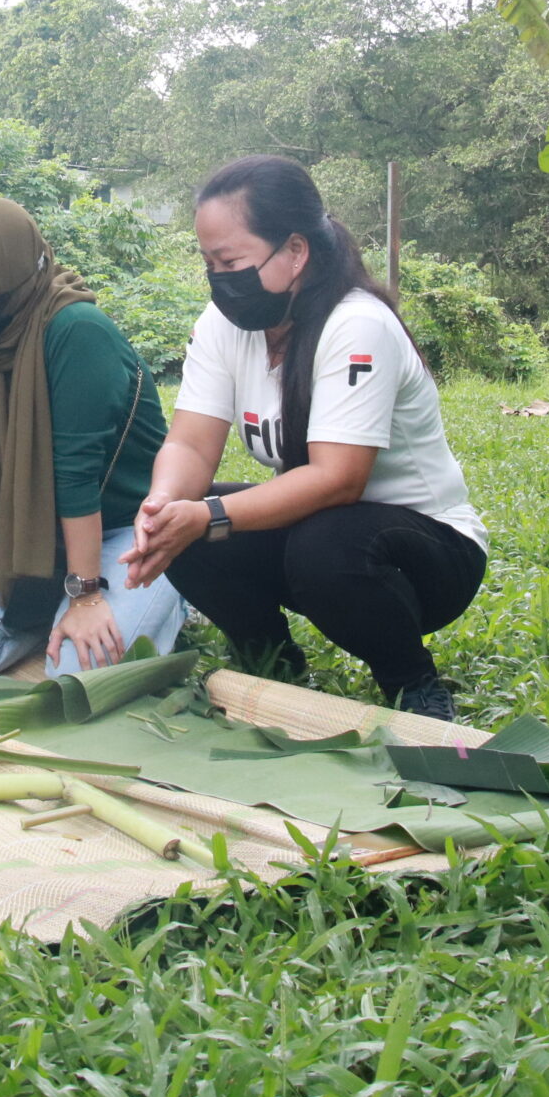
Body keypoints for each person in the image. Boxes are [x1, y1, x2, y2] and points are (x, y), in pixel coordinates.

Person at [123, 156, 488, 721]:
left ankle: (412, 683)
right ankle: (270, 660)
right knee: (186, 526)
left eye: (231, 261)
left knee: (319, 539)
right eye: (208, 263)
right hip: (319, 538)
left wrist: (210, 515)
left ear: (295, 251)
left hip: (426, 556)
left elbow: (338, 480)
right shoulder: (224, 327)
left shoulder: (356, 325)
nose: (220, 278)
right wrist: (165, 505)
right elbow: (191, 444)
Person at [0, 198, 177, 674]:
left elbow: (76, 475)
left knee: (75, 672)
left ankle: (168, 595)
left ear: (10, 271)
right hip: (33, 530)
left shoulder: (78, 331)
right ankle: (46, 613)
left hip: (129, 531)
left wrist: (86, 596)